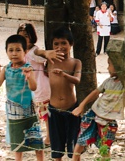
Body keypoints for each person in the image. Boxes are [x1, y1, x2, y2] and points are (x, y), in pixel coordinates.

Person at [0, 35, 45, 161]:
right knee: (17, 140)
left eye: (18, 50)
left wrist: (29, 76)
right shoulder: (6, 69)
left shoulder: (28, 68)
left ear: (25, 52)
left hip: (29, 110)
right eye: (11, 50)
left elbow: (33, 87)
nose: (14, 53)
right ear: (6, 52)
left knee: (36, 139)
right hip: (13, 112)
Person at [16, 23, 59, 146]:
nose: (24, 38)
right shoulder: (22, 51)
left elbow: (42, 53)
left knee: (46, 115)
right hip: (30, 88)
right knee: (35, 114)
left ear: (32, 36)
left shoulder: (34, 51)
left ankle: (49, 138)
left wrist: (47, 53)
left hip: (41, 87)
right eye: (21, 36)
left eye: (26, 35)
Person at [71, 61, 124, 161]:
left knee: (105, 147)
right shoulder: (108, 81)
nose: (108, 68)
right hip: (93, 115)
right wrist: (81, 106)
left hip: (109, 121)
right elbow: (96, 92)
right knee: (81, 140)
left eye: (109, 65)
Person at [47, 27, 82, 160]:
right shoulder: (49, 62)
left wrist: (64, 75)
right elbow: (34, 53)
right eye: (56, 44)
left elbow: (77, 80)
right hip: (54, 109)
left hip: (72, 109)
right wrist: (46, 53)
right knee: (56, 145)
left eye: (63, 43)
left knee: (74, 144)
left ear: (71, 44)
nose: (60, 47)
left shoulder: (76, 62)